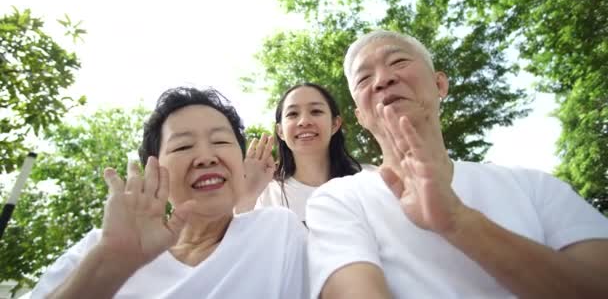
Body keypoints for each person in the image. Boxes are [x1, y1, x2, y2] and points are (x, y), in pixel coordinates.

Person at [306, 30, 608, 298]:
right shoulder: (337, 200)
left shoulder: (534, 186)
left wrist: (458, 220)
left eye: (398, 62)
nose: (384, 79)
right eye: (363, 78)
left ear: (440, 84)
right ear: (360, 116)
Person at [30, 87, 308, 299]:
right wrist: (110, 264)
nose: (206, 157)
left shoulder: (276, 230)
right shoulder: (100, 248)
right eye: (182, 147)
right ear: (154, 168)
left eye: (221, 141)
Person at [244, 83, 362, 223]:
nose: (304, 121)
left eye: (316, 111)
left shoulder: (366, 183)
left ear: (335, 124)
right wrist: (248, 195)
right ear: (280, 131)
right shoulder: (264, 193)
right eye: (292, 114)